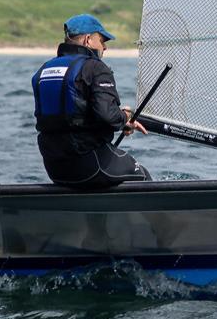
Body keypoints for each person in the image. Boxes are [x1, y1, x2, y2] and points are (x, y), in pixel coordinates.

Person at [32, 13, 152, 188]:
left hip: (54, 167)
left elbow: (72, 116)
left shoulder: (45, 70)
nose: (104, 47)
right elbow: (107, 116)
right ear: (88, 40)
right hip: (89, 165)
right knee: (142, 175)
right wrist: (125, 117)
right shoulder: (95, 67)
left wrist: (120, 124)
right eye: (102, 41)